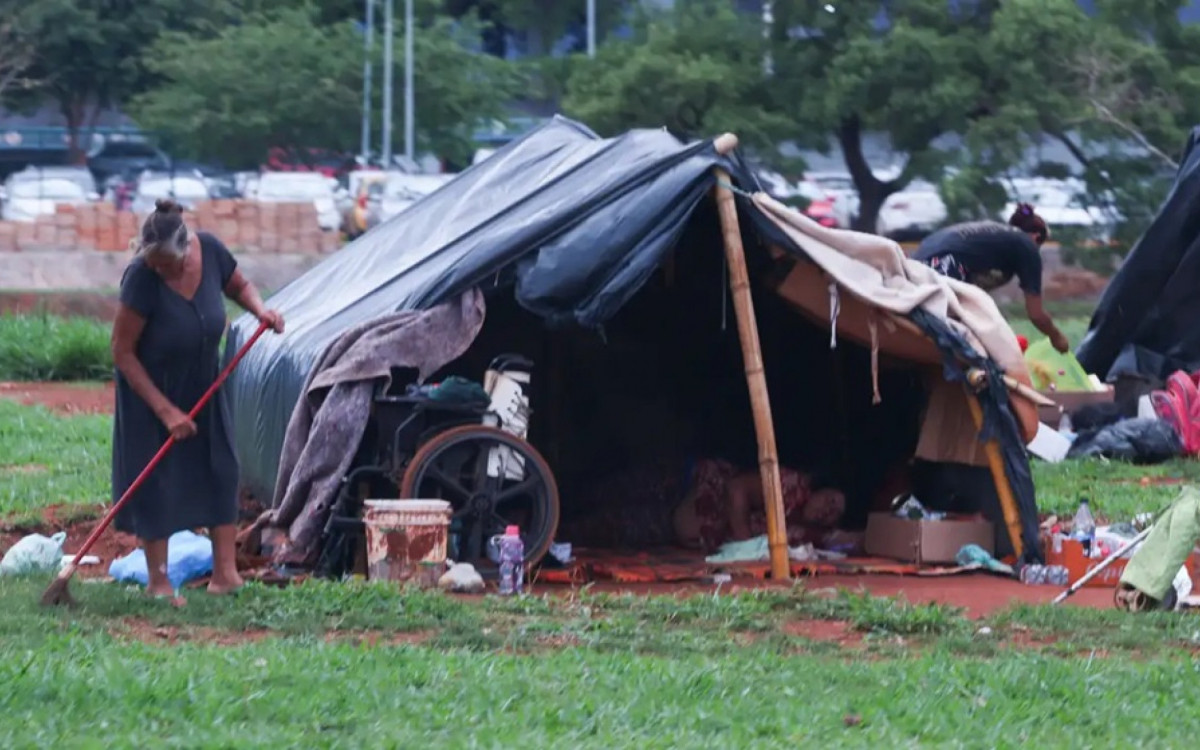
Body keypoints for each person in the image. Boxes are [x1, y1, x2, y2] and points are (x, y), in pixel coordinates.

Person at [110, 199, 284, 603]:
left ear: (187, 249)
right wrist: (166, 411)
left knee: (221, 468)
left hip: (204, 382)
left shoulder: (211, 250)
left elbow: (238, 285)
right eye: (153, 263)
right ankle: (159, 582)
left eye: (167, 265)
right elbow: (122, 351)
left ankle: (226, 575)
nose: (159, 270)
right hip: (152, 390)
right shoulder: (141, 278)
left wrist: (261, 311)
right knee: (157, 481)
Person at [913, 203, 1070, 353]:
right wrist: (1057, 338)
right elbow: (1036, 314)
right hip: (943, 268)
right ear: (1036, 237)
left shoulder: (994, 236)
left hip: (914, 266)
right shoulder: (1026, 245)